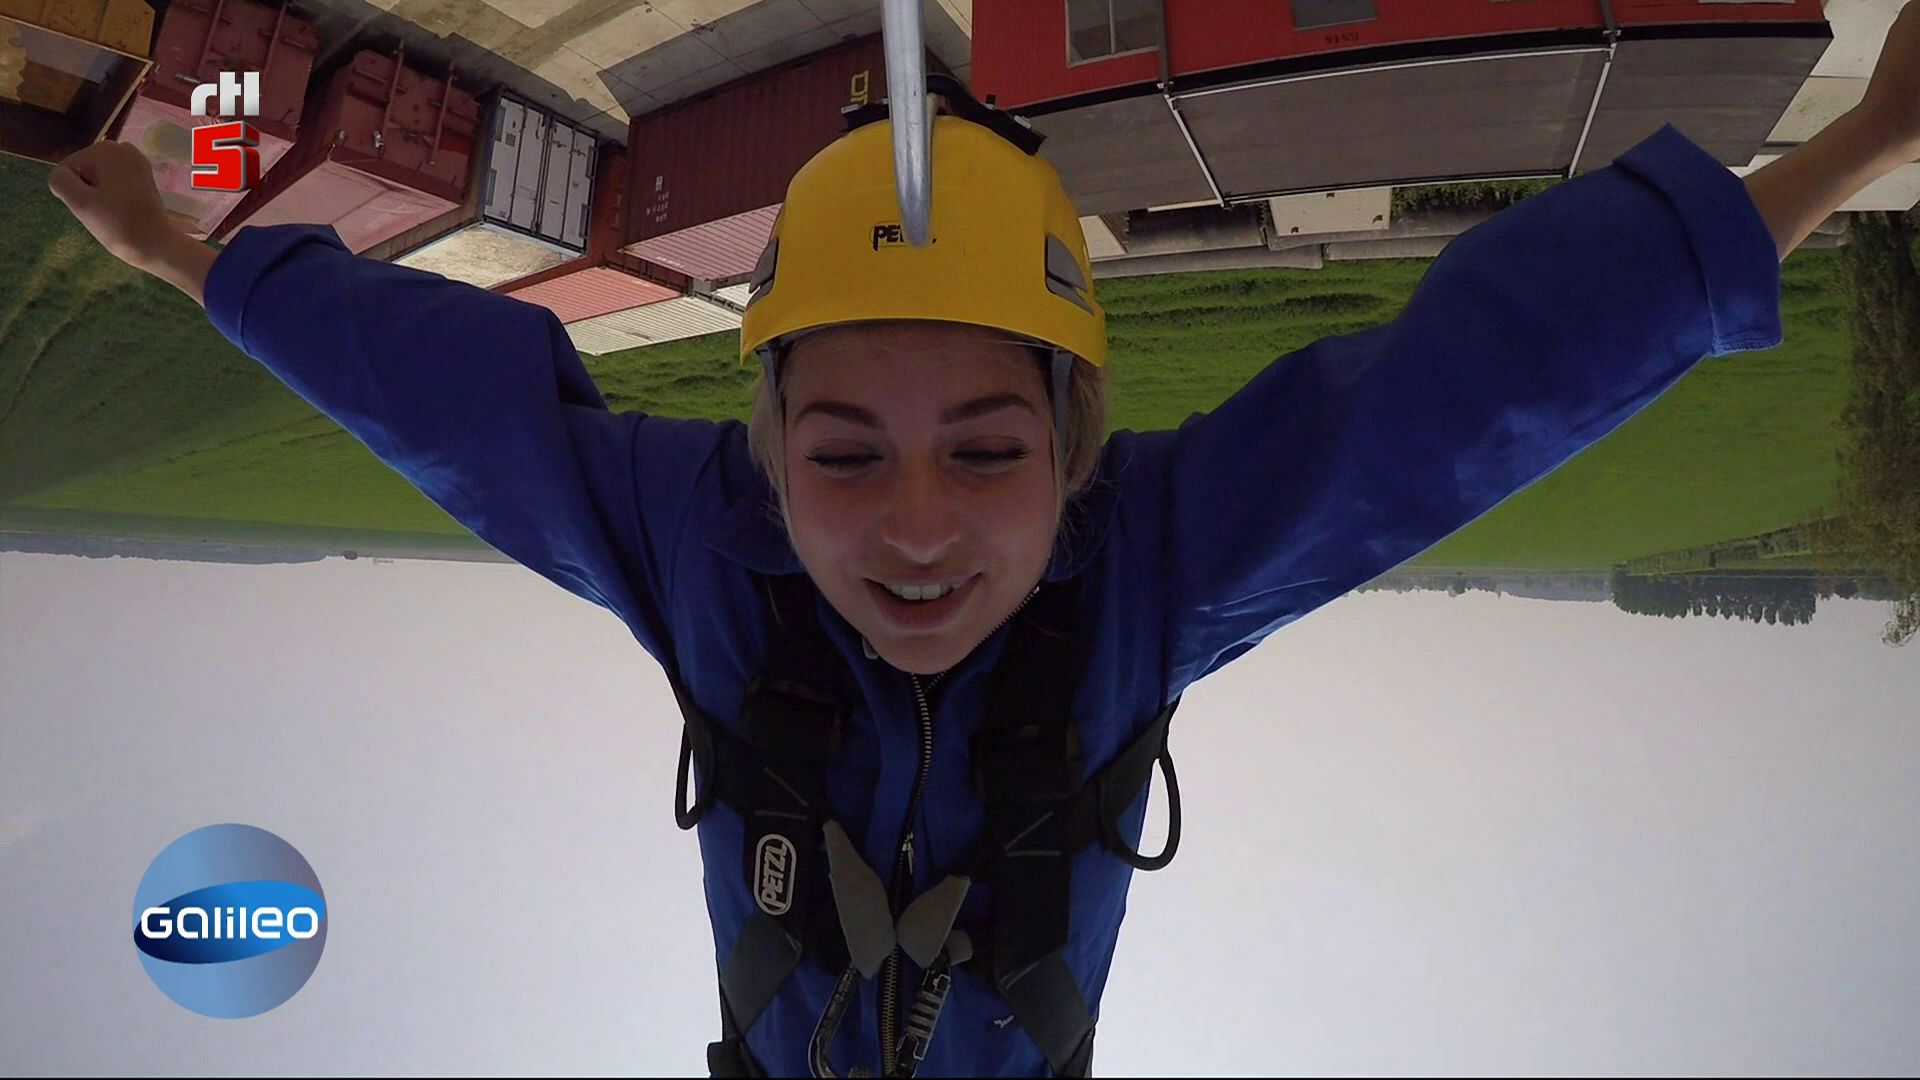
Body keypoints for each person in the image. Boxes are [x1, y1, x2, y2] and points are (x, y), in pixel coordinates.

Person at [48, 7, 1920, 1074]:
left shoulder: (1144, 558)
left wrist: (1852, 151)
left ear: (1076, 449)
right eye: (845, 453)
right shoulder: (702, 539)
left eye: (991, 449)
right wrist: (172, 250)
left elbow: (1473, 394)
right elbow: (422, 389)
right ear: (766, 446)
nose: (921, 528)